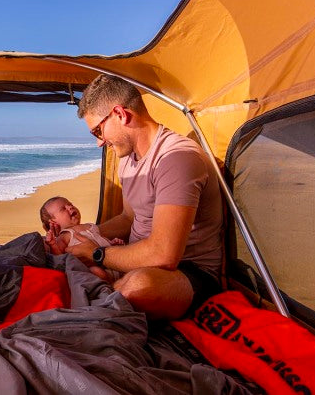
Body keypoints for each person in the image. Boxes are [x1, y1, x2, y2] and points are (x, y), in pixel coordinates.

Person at [66, 75, 224, 320]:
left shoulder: (176, 159)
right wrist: (86, 234)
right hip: (137, 258)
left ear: (120, 114)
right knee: (70, 261)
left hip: (187, 272)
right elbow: (129, 217)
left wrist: (97, 253)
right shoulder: (127, 160)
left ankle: (97, 303)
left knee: (140, 286)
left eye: (98, 131)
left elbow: (164, 255)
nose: (99, 143)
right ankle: (100, 299)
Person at [39, 195, 123, 281]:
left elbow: (99, 238)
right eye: (63, 209)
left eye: (70, 204)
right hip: (97, 268)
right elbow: (60, 258)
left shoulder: (89, 225)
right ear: (53, 222)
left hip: (110, 261)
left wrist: (111, 243)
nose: (70, 207)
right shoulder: (65, 235)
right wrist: (53, 245)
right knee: (96, 271)